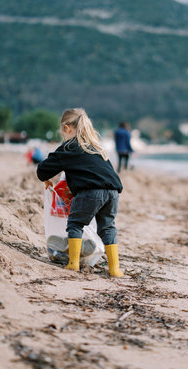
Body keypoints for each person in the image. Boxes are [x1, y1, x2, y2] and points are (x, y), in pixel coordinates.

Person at [37, 108, 124, 277]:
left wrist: (46, 177)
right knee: (107, 228)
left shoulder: (69, 146)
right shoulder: (96, 147)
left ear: (67, 128)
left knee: (75, 224)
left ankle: (73, 263)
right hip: (113, 191)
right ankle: (115, 269)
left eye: (62, 132)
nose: (63, 136)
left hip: (90, 191)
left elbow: (43, 170)